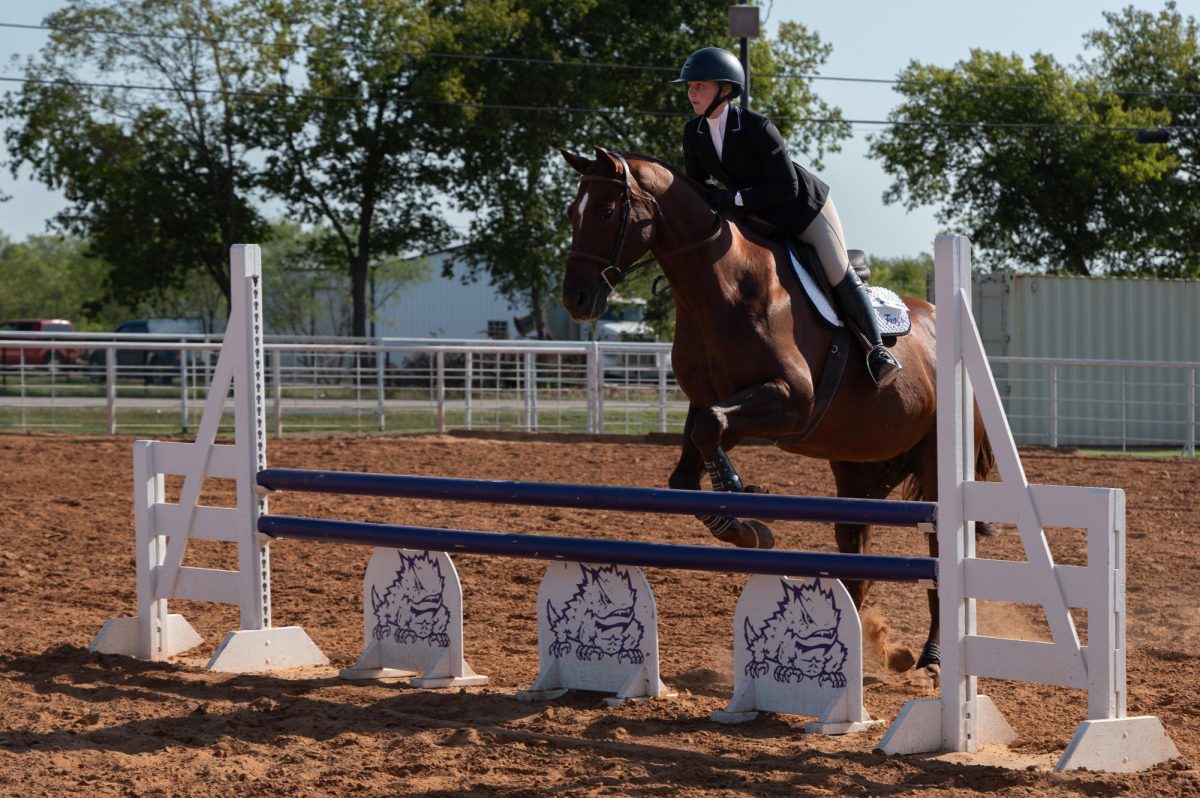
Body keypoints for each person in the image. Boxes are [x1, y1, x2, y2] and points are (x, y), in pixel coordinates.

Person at [672, 47, 902, 387]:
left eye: (699, 86)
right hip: (755, 217)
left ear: (725, 89)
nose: (691, 93)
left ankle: (879, 352)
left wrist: (732, 197)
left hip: (804, 210)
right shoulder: (695, 133)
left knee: (837, 270)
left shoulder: (757, 128)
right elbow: (699, 184)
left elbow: (787, 187)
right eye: (689, 87)